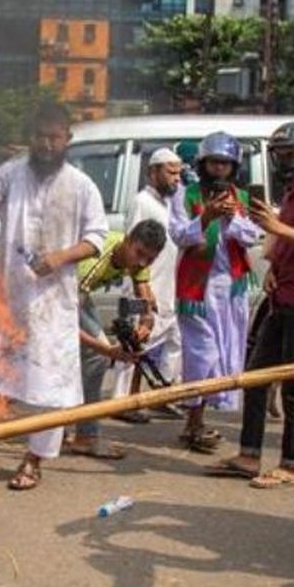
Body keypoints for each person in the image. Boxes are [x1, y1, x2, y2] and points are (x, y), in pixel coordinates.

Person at [0, 100, 107, 491]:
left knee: (51, 388)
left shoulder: (81, 186)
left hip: (54, 306)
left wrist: (59, 257)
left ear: (67, 139)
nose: (47, 144)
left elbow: (97, 238)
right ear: (31, 138)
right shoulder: (12, 174)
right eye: (40, 137)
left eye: (55, 137)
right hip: (7, 300)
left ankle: (34, 461)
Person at [221, 122, 294, 488]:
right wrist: (272, 266)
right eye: (281, 155)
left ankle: (290, 464)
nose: (287, 161)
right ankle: (249, 454)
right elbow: (284, 241)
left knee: (293, 385)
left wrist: (276, 225)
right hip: (281, 294)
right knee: (256, 377)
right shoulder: (292, 193)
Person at [169, 132, 261, 456]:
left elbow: (253, 236)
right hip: (197, 291)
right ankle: (191, 420)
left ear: (233, 166)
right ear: (203, 164)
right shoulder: (186, 194)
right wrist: (206, 216)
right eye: (214, 162)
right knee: (201, 355)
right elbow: (179, 235)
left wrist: (232, 218)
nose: (219, 169)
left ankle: (200, 419)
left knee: (224, 353)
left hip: (231, 289)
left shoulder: (242, 198)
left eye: (225, 163)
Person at [64, 220, 167, 460]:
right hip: (57, 295)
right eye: (139, 254)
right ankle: (86, 437)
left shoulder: (140, 259)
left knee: (83, 362)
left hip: (78, 295)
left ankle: (70, 431)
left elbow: (145, 300)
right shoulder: (95, 260)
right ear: (127, 240)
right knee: (95, 358)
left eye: (150, 259)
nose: (142, 262)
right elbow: (65, 322)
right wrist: (107, 350)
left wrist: (146, 323)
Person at [124, 148, 184, 405]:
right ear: (153, 172)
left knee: (174, 341)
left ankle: (162, 397)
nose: (176, 178)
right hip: (145, 287)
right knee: (135, 344)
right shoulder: (142, 202)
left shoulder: (171, 204)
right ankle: (123, 400)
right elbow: (131, 247)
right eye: (171, 172)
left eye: (179, 173)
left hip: (169, 286)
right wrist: (143, 291)